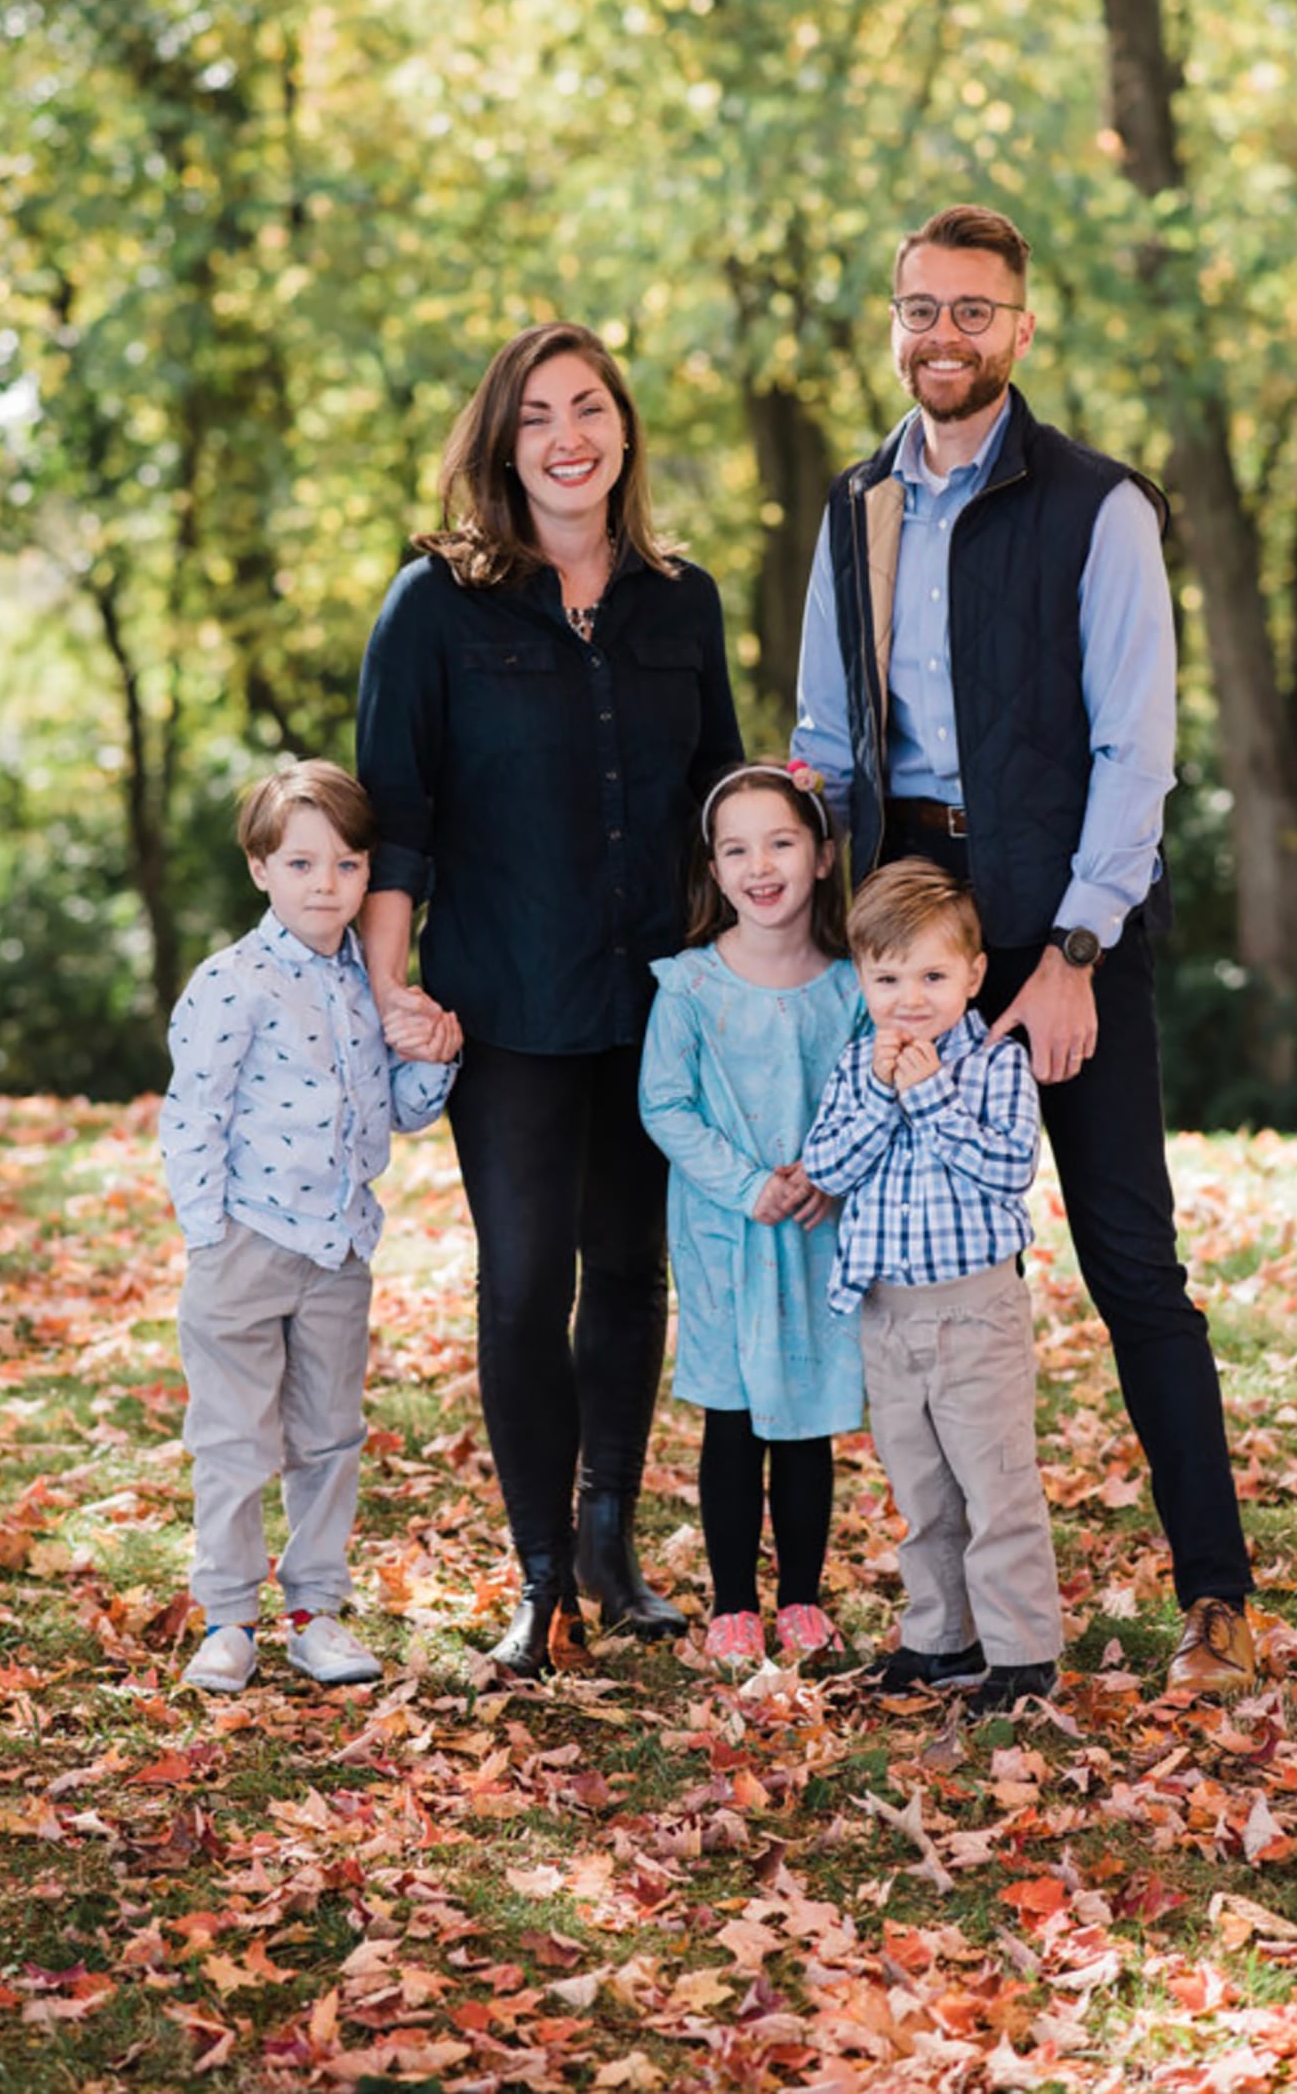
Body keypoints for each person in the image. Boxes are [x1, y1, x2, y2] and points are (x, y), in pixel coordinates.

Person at [793, 201, 1256, 1693]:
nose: (945, 334)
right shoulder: (855, 507)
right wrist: (811, 923)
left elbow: (1137, 752)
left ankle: (1218, 1588)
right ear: (895, 320)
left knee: (1130, 1254)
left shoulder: (1100, 506)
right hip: (910, 928)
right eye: (921, 307)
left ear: (1022, 329)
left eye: (974, 311)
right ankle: (948, 1620)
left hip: (1067, 922)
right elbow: (827, 741)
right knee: (911, 1274)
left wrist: (1069, 949)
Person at [356, 323, 745, 1678]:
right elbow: (395, 815)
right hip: (505, 1001)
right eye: (538, 417)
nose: (568, 436)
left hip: (656, 1000)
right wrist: (388, 987)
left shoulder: (679, 601)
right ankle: (539, 1580)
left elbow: (723, 796)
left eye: (589, 408)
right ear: (500, 444)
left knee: (630, 1271)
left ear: (624, 430)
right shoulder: (435, 605)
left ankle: (608, 1545)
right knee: (524, 1281)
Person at [159, 761, 457, 1695]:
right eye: (301, 863)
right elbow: (193, 1112)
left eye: (347, 864)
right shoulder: (231, 982)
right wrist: (207, 1234)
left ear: (369, 873)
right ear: (260, 869)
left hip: (338, 1250)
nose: (325, 885)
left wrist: (435, 1055)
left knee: (330, 1434)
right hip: (245, 1245)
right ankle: (229, 1618)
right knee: (235, 1439)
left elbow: (400, 1112)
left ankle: (314, 1611)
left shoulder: (373, 983)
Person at [803, 859, 1060, 1713]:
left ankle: (1023, 1652)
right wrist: (883, 1093)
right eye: (887, 977)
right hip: (888, 1314)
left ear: (974, 975)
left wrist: (934, 1094)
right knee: (921, 1491)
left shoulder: (994, 1062)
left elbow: (1008, 1168)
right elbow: (829, 1166)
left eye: (933, 975)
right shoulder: (855, 1068)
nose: (909, 997)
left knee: (996, 1484)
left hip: (975, 1311)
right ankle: (941, 1636)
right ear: (861, 977)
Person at [638, 763, 864, 1673]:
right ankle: (734, 1603)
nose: (759, 865)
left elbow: (869, 1097)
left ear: (821, 853)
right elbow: (665, 1105)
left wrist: (830, 1174)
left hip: (814, 1234)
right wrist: (744, 1183)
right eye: (736, 848)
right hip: (726, 1235)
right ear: (714, 868)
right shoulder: (691, 986)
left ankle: (803, 1599)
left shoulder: (852, 989)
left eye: (779, 841)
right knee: (731, 1419)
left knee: (805, 1421)